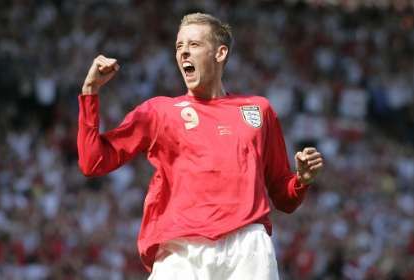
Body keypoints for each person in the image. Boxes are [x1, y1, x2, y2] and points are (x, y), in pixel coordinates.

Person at [77, 12, 323, 279]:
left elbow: (283, 198)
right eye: (179, 46)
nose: (183, 53)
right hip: (181, 251)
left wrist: (301, 180)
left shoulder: (258, 110)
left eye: (193, 45)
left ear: (219, 53)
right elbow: (93, 162)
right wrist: (90, 92)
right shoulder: (159, 112)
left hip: (248, 245)